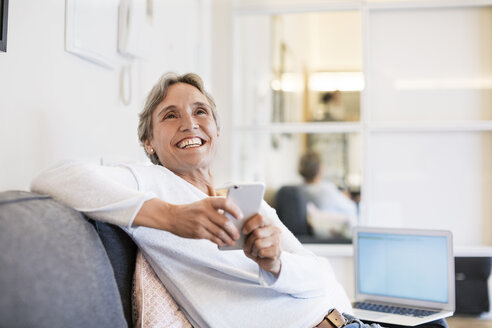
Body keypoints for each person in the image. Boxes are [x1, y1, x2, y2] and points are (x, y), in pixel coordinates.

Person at [31, 72, 446, 328]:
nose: (189, 122)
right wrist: (171, 217)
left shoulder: (249, 202)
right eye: (170, 115)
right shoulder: (149, 180)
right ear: (149, 142)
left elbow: (321, 276)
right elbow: (54, 176)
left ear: (216, 129)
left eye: (201, 111)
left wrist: (276, 264)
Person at [298, 151, 358, 235]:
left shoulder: (298, 190)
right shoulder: (326, 189)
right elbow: (352, 208)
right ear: (319, 168)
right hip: (330, 231)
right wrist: (346, 197)